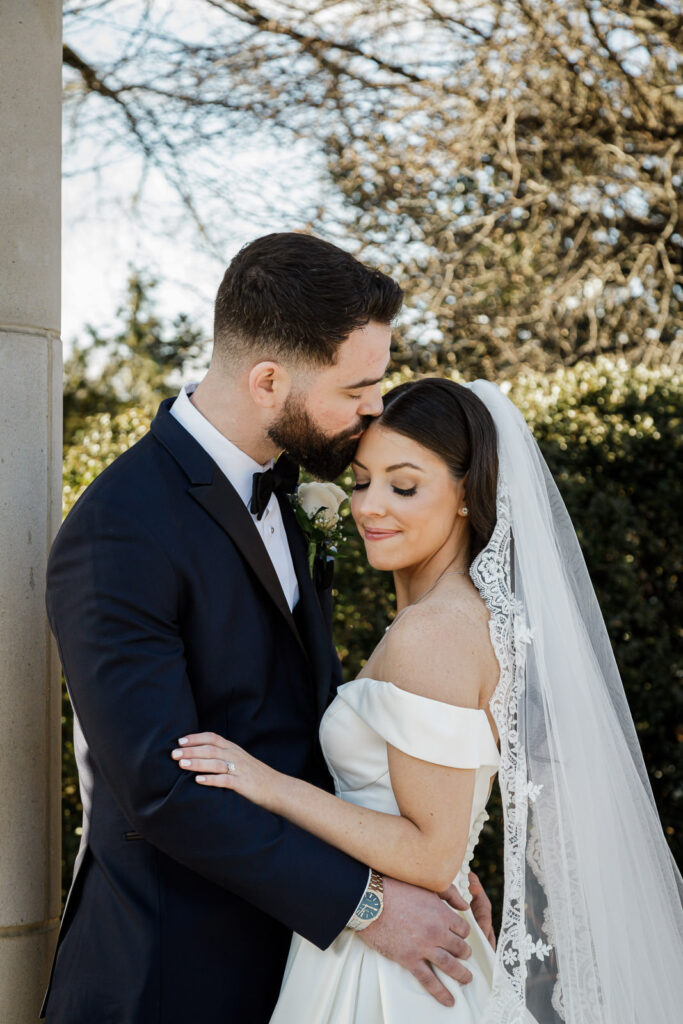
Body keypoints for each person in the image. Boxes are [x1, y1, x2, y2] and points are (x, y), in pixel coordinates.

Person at [43, 235, 495, 1024]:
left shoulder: (295, 489)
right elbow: (161, 788)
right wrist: (366, 904)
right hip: (171, 974)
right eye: (357, 386)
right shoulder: (118, 530)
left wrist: (418, 867)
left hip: (302, 964)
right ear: (267, 381)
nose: (372, 409)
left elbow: (297, 724)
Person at [174, 377, 683, 1023]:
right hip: (407, 932)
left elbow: (430, 852)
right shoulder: (462, 618)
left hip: (387, 975)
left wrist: (265, 783)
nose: (369, 507)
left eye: (404, 485)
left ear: (468, 495)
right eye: (361, 482)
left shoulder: (433, 633)